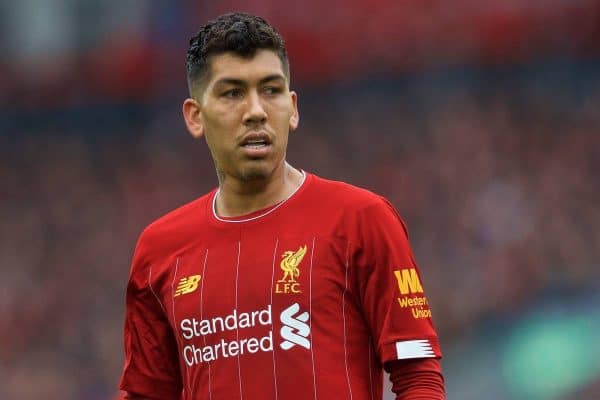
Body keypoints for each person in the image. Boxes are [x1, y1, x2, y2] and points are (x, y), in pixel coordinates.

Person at [119, 12, 445, 400]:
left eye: (270, 90)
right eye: (232, 93)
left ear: (292, 109)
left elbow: (418, 376)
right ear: (195, 117)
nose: (255, 110)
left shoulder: (361, 220)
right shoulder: (160, 250)